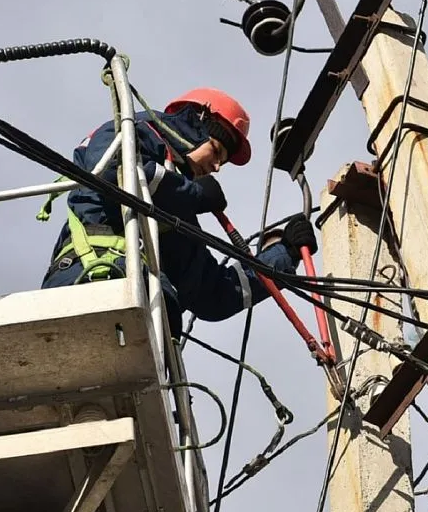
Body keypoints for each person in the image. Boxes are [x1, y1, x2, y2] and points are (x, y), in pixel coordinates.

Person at [40, 87, 318, 339]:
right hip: (86, 282)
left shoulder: (174, 217)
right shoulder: (133, 129)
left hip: (142, 315)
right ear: (196, 124)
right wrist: (194, 194)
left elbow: (215, 294)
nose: (217, 167)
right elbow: (115, 173)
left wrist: (285, 254)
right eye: (217, 151)